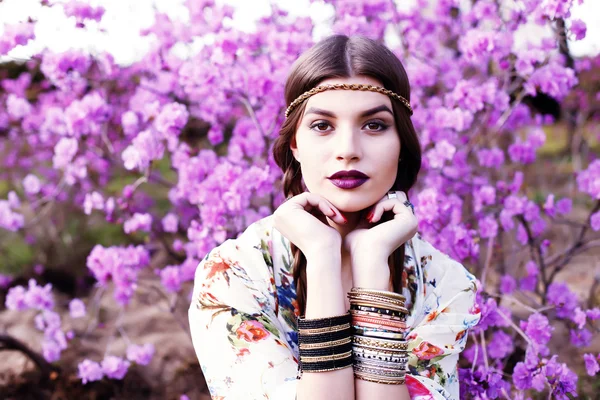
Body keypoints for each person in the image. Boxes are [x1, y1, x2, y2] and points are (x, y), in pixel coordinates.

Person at [188, 34, 481, 400]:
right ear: (294, 143)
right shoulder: (234, 273)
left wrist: (373, 263)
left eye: (374, 125)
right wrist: (322, 256)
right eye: (322, 126)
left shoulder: (445, 286)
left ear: (402, 143)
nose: (348, 151)